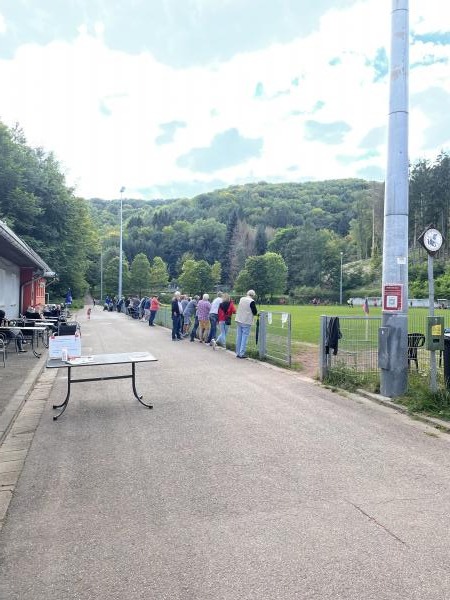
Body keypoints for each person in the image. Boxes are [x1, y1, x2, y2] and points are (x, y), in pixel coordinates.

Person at [235, 289, 258, 358]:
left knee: (239, 336)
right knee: (244, 337)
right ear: (253, 295)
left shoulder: (242, 299)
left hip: (239, 319)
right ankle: (242, 353)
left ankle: (238, 352)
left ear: (247, 293)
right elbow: (254, 312)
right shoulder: (252, 301)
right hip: (246, 321)